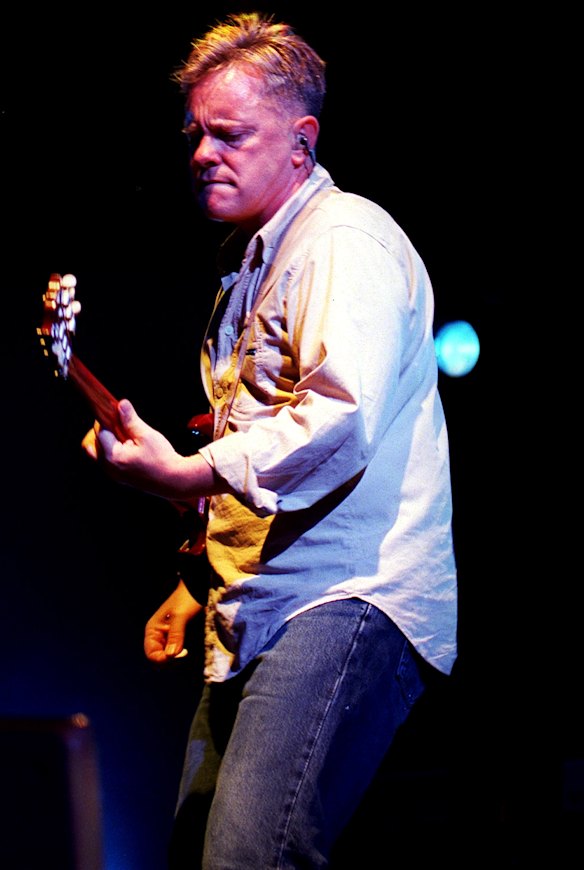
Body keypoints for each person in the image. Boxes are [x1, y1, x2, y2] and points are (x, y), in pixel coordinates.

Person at [82, 11, 458, 869]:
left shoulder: (343, 240)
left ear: (301, 140)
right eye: (194, 135)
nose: (202, 154)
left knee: (251, 858)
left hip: (345, 594)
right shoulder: (255, 265)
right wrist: (195, 582)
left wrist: (184, 475)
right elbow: (260, 437)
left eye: (230, 134)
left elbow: (337, 419)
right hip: (264, 601)